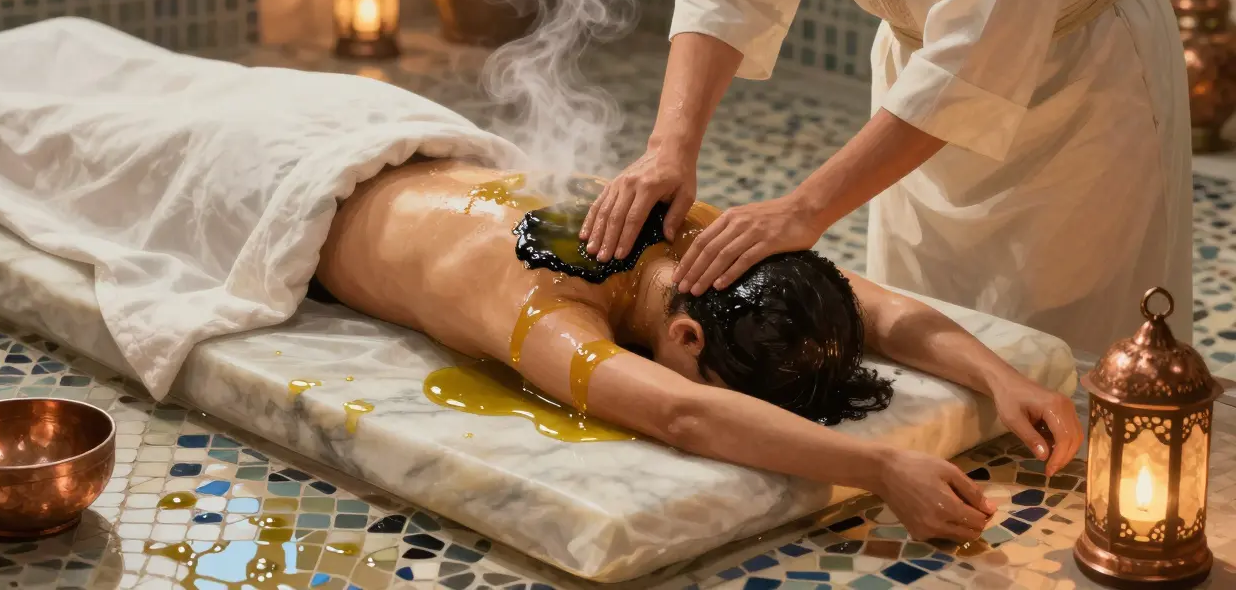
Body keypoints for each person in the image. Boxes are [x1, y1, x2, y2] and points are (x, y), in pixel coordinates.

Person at [580, 0, 1193, 360]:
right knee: (925, 331)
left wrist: (805, 208)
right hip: (915, 90)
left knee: (1074, 359)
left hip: (1075, 95)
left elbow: (977, 55)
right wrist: (669, 148)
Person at [311, 158, 1081, 543]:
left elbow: (869, 307)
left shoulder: (690, 238)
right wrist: (881, 467)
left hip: (395, 157)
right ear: (685, 337)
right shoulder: (545, 309)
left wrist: (1001, 378)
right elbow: (684, 415)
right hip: (307, 198)